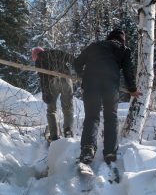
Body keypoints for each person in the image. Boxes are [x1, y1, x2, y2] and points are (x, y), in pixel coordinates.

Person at [74, 29, 141, 165]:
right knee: (111, 117)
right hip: (111, 85)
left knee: (92, 116)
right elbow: (128, 70)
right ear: (122, 40)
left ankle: (88, 149)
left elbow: (77, 63)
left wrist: (83, 78)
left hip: (91, 83)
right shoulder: (124, 49)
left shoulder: (95, 45)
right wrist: (132, 89)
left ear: (108, 38)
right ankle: (110, 152)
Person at [32, 47, 75, 141]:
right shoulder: (55, 52)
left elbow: (43, 78)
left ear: (36, 55)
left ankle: (54, 136)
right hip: (66, 79)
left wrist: (45, 93)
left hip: (52, 82)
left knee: (51, 110)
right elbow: (71, 58)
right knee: (68, 108)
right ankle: (68, 131)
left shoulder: (39, 60)